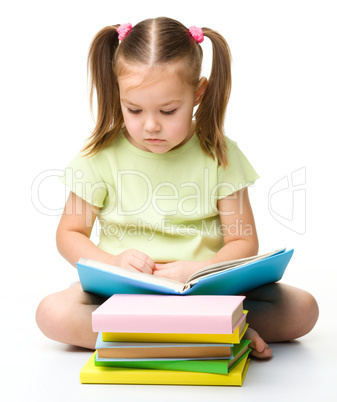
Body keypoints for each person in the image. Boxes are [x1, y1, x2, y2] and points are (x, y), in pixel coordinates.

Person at [36, 17, 318, 358]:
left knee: (303, 309)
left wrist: (199, 270)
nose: (151, 125)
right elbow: (70, 233)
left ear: (197, 93)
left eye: (168, 110)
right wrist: (112, 262)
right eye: (135, 109)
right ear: (119, 92)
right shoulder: (99, 156)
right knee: (52, 313)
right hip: (121, 298)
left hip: (205, 296)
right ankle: (214, 335)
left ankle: (161, 336)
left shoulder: (220, 155)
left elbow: (243, 240)